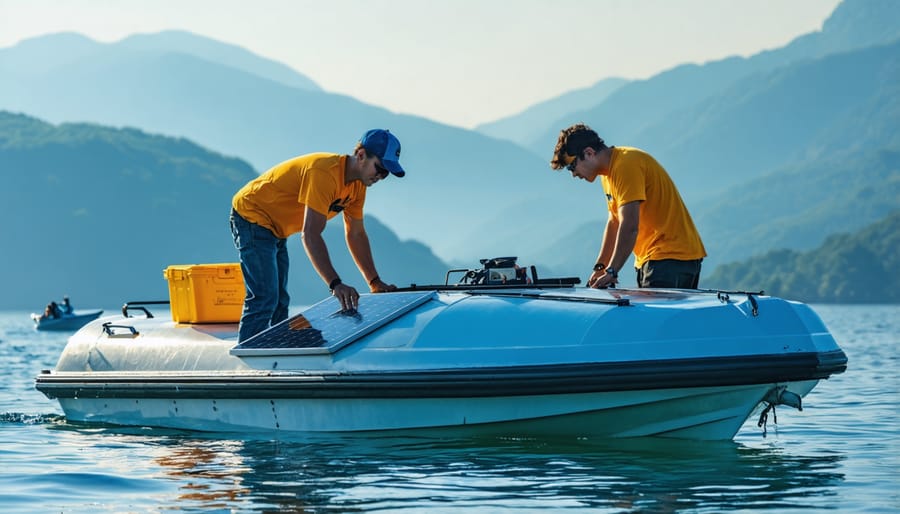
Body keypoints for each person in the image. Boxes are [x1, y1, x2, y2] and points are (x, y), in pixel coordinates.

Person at [230, 129, 405, 342]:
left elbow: (356, 233)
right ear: (360, 156)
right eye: (380, 168)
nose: (381, 176)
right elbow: (310, 234)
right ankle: (248, 358)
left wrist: (374, 281)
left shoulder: (358, 186)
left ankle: (277, 353)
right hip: (252, 214)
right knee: (265, 297)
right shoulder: (324, 174)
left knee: (280, 301)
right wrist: (335, 284)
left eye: (386, 173)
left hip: (277, 227)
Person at [550, 123, 706, 289]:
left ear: (589, 153)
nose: (573, 174)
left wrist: (612, 271)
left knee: (650, 316)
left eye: (571, 166)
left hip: (666, 258)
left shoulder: (625, 165)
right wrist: (600, 268)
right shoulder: (608, 173)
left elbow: (629, 226)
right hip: (669, 258)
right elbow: (614, 223)